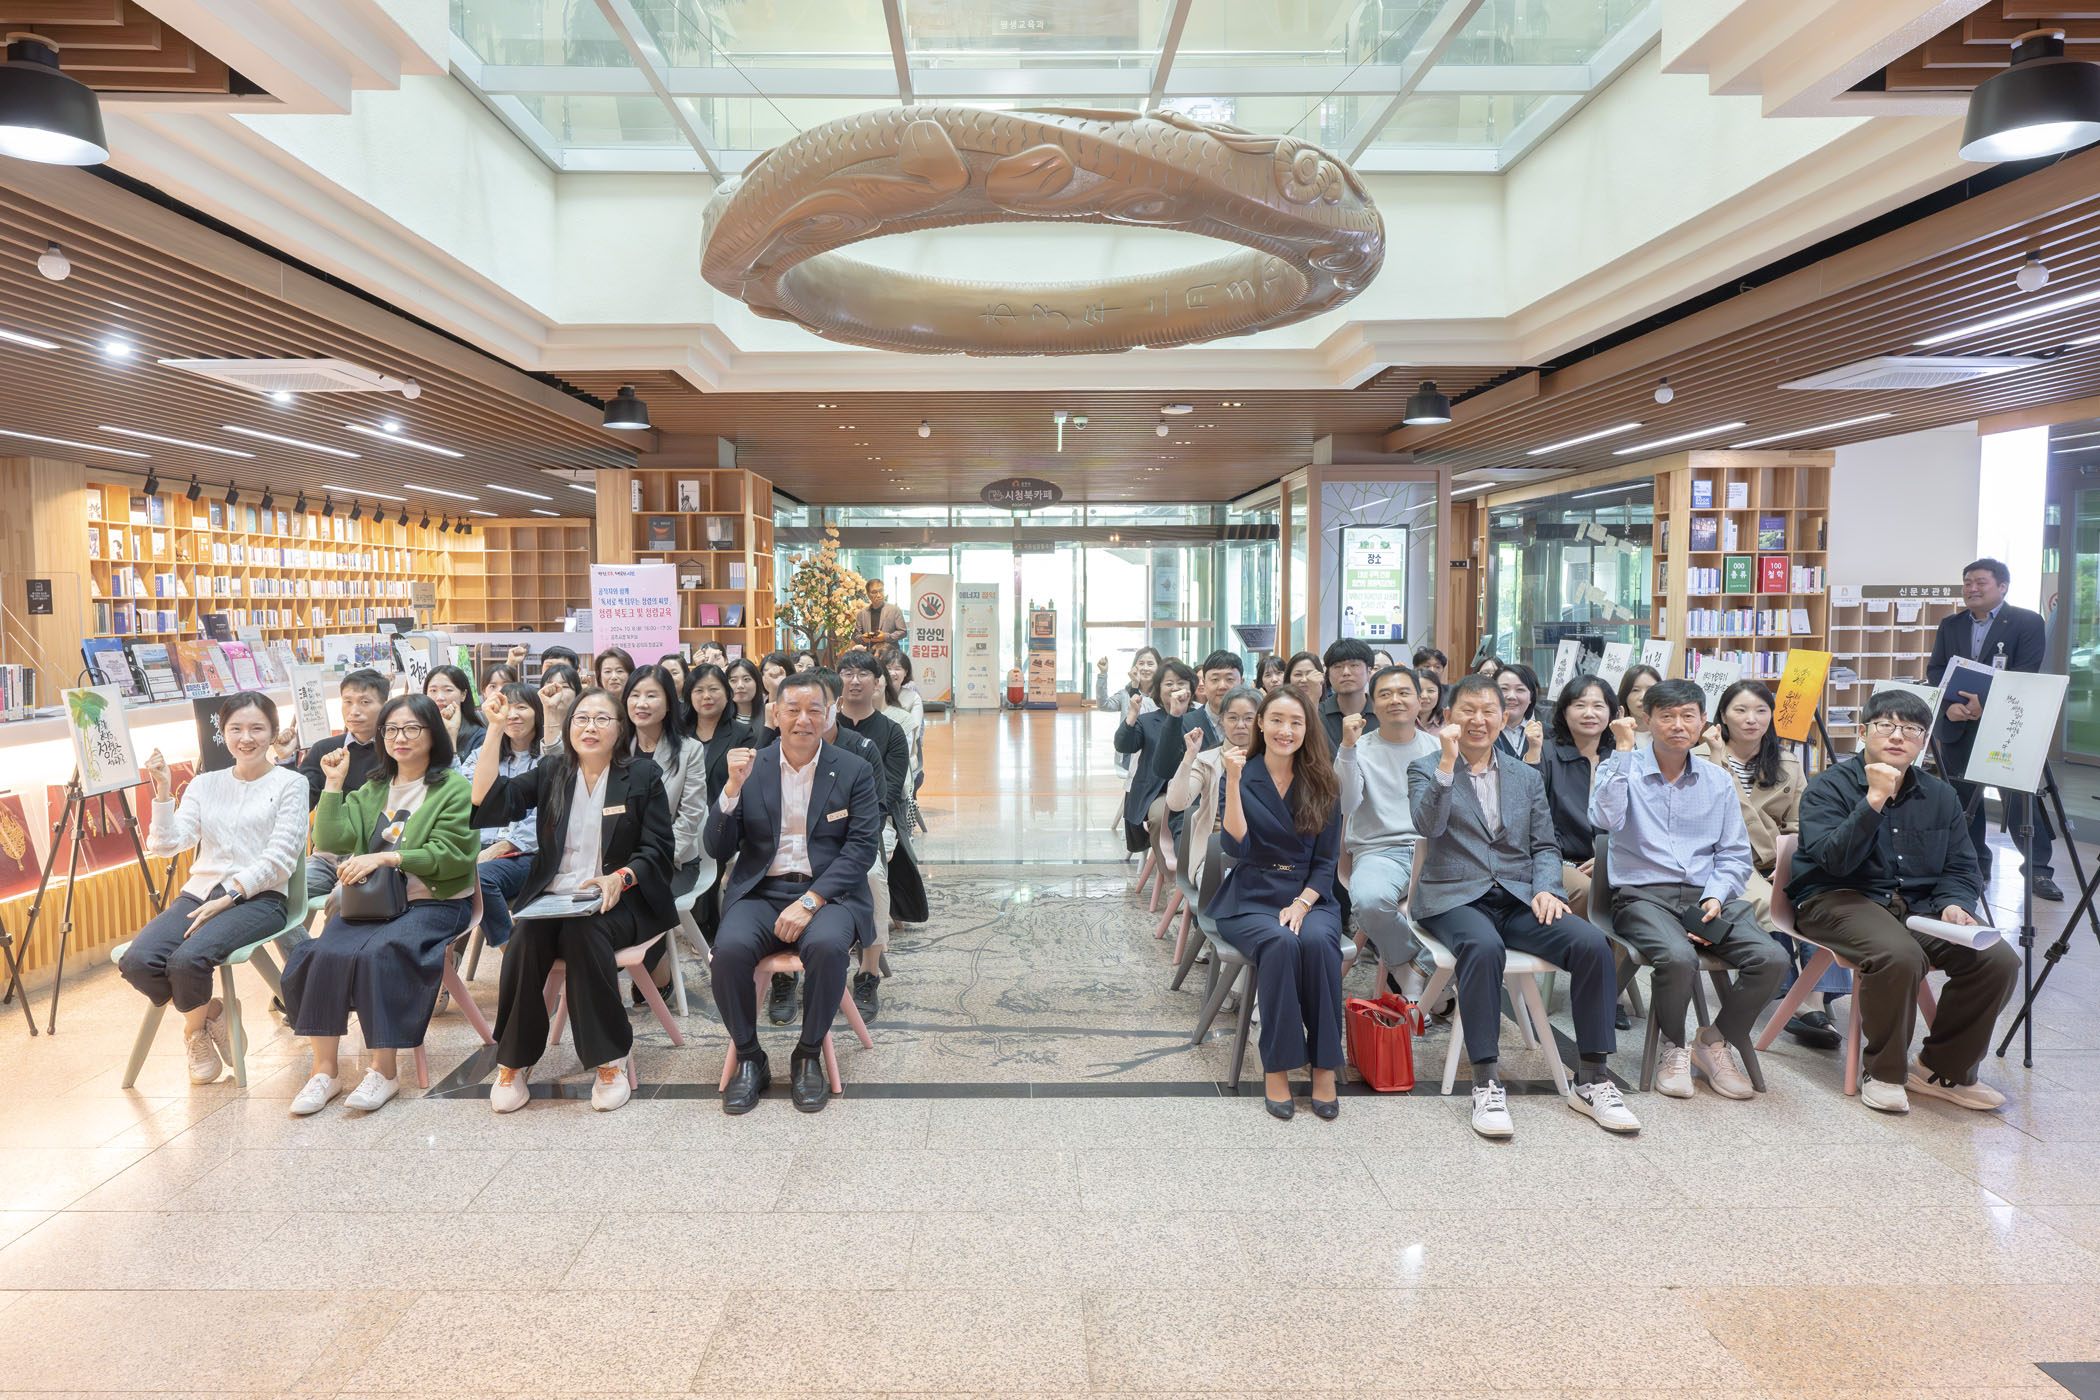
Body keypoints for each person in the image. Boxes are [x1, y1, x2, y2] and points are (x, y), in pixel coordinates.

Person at [1408, 675, 1636, 1139]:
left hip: (1516, 896)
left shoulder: (1525, 776)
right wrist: (1448, 764)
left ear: (1504, 716)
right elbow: (1427, 826)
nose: (1478, 720)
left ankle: (1592, 1079)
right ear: (1449, 716)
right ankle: (1486, 1081)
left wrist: (1549, 888)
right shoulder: (1426, 767)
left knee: (1592, 944)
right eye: (1468, 710)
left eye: (1488, 711)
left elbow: (1545, 846)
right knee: (1482, 946)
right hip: (1453, 896)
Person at [1787, 689, 2018, 1114]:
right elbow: (1834, 861)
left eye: (1911, 729)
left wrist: (1954, 903)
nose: (1898, 736)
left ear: (1923, 740)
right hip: (1837, 898)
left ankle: (1941, 1069)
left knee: (1997, 959)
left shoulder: (1940, 795)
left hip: (1917, 908)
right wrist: (1873, 800)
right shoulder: (1828, 787)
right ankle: (1884, 1072)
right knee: (1898, 955)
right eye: (1886, 726)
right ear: (1863, 732)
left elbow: (1962, 865)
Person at [470, 686, 676, 1113]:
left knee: (586, 934)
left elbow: (658, 849)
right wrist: (494, 730)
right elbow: (488, 801)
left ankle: (609, 1059)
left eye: (602, 719)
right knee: (523, 940)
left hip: (620, 900)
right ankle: (513, 1062)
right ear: (568, 727)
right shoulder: (552, 771)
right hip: (554, 901)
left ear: (619, 729)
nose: (590, 727)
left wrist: (620, 877)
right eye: (581, 718)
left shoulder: (642, 775)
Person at [281, 693, 478, 1116]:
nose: (399, 738)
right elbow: (330, 840)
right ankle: (325, 1071)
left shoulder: (453, 788)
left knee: (379, 954)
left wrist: (389, 858)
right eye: (391, 730)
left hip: (435, 901)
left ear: (433, 733)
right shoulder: (373, 788)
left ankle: (384, 1071)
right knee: (320, 952)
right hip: (372, 902)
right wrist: (334, 784)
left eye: (411, 728)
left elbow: (452, 856)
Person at [1589, 679, 1785, 1101]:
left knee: (1772, 958)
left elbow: (1734, 855)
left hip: (1705, 896)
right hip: (1643, 897)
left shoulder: (1717, 780)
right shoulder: (1620, 767)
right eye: (1667, 716)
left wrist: (1715, 896)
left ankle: (1713, 1041)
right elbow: (1605, 820)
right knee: (1678, 958)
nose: (1678, 725)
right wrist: (1622, 751)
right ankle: (1673, 1047)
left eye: (1687, 716)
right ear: (1647, 719)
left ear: (1702, 721)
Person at [708, 672, 883, 1114]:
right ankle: (750, 1056)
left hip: (828, 895)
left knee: (827, 947)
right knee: (727, 952)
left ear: (829, 714)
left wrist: (810, 901)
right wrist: (731, 789)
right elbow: (716, 848)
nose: (803, 719)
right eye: (793, 710)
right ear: (775, 713)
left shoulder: (854, 769)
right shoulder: (751, 766)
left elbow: (861, 850)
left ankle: (807, 1054)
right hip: (760, 892)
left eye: (814, 710)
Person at [122, 692, 308, 1085]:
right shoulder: (204, 784)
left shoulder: (291, 783)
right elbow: (167, 846)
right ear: (222, 733)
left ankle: (193, 1033)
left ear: (273, 732)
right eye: (235, 729)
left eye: (257, 728)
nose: (246, 738)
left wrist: (229, 898)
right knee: (138, 961)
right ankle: (211, 1013)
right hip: (200, 892)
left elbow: (280, 859)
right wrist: (162, 792)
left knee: (187, 961)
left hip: (261, 898)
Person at [1212, 688, 1346, 1120]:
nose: (1285, 730)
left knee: (1319, 943)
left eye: (1295, 722)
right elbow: (1235, 846)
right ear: (1260, 724)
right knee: (1281, 943)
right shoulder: (1240, 773)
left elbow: (1326, 862)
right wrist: (1233, 781)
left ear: (1307, 729)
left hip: (1310, 894)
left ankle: (1324, 1067)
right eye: (1276, 720)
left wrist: (1303, 904)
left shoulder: (1324, 781)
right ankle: (1277, 1067)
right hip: (1251, 894)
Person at [1694, 680, 1840, 1049]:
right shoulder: (1699, 757)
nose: (1751, 719)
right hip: (1725, 861)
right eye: (1740, 710)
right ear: (1723, 715)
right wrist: (1718, 760)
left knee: (1825, 895)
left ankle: (1813, 999)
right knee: (1771, 903)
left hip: (1776, 859)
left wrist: (1789, 860)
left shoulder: (1787, 762)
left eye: (1761, 711)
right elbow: (1707, 818)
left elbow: (1800, 822)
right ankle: (1794, 1000)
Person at [1928, 556, 2060, 900]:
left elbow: (2026, 672)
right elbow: (1936, 670)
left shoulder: (2026, 622)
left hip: (2006, 724)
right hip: (1958, 725)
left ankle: (2038, 870)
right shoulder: (1951, 624)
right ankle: (1973, 868)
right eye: (1967, 583)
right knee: (1963, 801)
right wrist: (1950, 706)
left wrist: (1985, 706)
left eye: (1980, 582)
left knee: (2018, 799)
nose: (1972, 589)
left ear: (2002, 586)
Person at [1338, 665, 1441, 993]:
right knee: (1369, 902)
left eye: (1403, 692)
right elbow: (1346, 802)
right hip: (1379, 852)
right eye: (1385, 694)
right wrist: (1347, 748)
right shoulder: (1358, 748)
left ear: (1420, 700)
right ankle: (1413, 974)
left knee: (1477, 907)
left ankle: (1417, 973)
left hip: (1437, 852)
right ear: (1372, 702)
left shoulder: (1439, 748)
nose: (1395, 700)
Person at [621, 665, 710, 1000]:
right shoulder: (616, 747)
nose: (641, 703)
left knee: (643, 895)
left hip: (673, 862)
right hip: (621, 861)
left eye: (651, 695)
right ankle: (642, 970)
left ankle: (654, 973)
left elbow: (691, 815)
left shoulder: (689, 750)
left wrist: (653, 859)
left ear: (670, 703)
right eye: (634, 695)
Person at [837, 649, 913, 1020]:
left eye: (863, 674)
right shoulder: (824, 726)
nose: (855, 681)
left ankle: (868, 973)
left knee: (870, 876)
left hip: (874, 823)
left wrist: (855, 822)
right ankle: (788, 974)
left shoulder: (891, 732)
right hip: (821, 824)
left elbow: (889, 790)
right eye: (847, 673)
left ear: (878, 682)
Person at [297, 668, 389, 907]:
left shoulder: (395, 749)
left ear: (385, 706)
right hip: (326, 856)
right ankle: (300, 936)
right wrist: (286, 760)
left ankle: (331, 936)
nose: (354, 710)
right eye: (347, 702)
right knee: (281, 892)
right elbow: (298, 802)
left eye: (365, 702)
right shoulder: (324, 749)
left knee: (343, 898)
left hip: (372, 854)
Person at [1536, 674, 1619, 919]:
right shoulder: (1546, 752)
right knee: (1586, 889)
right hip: (1560, 860)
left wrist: (1608, 855)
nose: (1589, 713)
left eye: (1598, 706)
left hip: (1613, 858)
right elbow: (1534, 818)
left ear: (1612, 713)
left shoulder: (1619, 756)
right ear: (1564, 712)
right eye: (1580, 705)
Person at [1165, 684, 1259, 890]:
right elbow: (1176, 803)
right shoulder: (1207, 760)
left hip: (1263, 854)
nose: (1240, 725)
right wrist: (1189, 756)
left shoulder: (1272, 761)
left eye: (1248, 718)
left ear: (1261, 721)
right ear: (1222, 720)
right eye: (1232, 718)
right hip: (1214, 854)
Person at [475, 683, 545, 951]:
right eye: (508, 708)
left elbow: (546, 815)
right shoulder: (484, 754)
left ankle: (512, 954)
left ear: (537, 712)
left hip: (527, 853)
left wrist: (505, 845)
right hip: (482, 847)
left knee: (479, 880)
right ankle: (445, 962)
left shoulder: (549, 757)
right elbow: (469, 798)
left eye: (522, 707)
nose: (513, 715)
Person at [1114, 658, 1195, 853]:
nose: (1175, 688)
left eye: (1181, 683)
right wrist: (1132, 714)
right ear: (1158, 689)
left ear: (1191, 688)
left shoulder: (1198, 717)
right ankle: (1169, 869)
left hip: (1195, 788)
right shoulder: (1147, 720)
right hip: (1157, 792)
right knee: (1160, 818)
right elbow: (1124, 744)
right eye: (1169, 683)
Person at [1153, 649, 1243, 782]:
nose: (1222, 686)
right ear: (1204, 683)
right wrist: (1174, 718)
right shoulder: (1184, 723)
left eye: (1230, 679)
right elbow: (1163, 769)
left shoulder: (1252, 723)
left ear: (1241, 682)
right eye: (1215, 679)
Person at [1316, 638, 1374, 752]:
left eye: (1354, 665)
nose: (1346, 672)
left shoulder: (1383, 713)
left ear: (1369, 671)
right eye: (1337, 666)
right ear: (1328, 674)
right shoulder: (1318, 715)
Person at [423, 664, 486, 769]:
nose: (440, 697)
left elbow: (468, 778)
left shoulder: (478, 736)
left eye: (448, 690)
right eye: (433, 690)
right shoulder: (419, 730)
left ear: (463, 695)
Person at [1493, 662, 1544, 762]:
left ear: (1531, 697)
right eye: (1504, 689)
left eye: (1520, 689)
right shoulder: (1482, 731)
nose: (1511, 696)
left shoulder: (1548, 735)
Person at [856, 578, 908, 649]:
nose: (879, 595)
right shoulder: (862, 613)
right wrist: (862, 638)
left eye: (881, 591)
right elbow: (855, 635)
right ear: (868, 595)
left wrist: (885, 637)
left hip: (890, 652)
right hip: (869, 652)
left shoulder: (894, 610)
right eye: (874, 592)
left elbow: (903, 632)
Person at [1616, 665, 1661, 745]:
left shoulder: (1669, 733)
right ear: (1625, 694)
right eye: (1635, 690)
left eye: (1650, 689)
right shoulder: (1614, 733)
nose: (1643, 697)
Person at [724, 657, 766, 730]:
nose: (740, 685)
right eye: (733, 680)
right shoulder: (721, 718)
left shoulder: (769, 717)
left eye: (746, 679)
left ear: (757, 682)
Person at [1412, 646, 1449, 723]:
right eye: (1427, 666)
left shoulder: (1452, 692)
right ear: (1415, 668)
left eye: (1437, 667)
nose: (1432, 670)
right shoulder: (1408, 691)